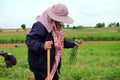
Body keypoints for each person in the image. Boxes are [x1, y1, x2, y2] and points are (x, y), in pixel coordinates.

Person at [26, 3, 80, 80]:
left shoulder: (55, 26)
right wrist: (43, 46)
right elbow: (29, 40)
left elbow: (60, 41)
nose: (61, 22)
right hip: (42, 66)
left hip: (53, 65)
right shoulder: (41, 25)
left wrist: (72, 44)